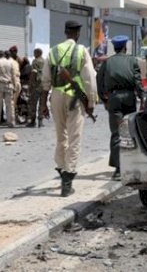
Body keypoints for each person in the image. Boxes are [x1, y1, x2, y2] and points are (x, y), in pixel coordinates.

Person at [42, 21, 98, 197]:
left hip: (56, 95)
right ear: (77, 34)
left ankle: (61, 167)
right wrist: (91, 102)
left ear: (65, 32)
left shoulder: (52, 51)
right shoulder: (82, 51)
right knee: (75, 137)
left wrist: (43, 104)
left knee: (61, 135)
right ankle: (67, 179)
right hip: (74, 97)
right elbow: (89, 79)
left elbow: (45, 79)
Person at [97, 35, 144, 181]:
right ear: (125, 47)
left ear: (115, 48)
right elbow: (137, 81)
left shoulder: (107, 62)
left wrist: (103, 99)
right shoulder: (132, 60)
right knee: (130, 132)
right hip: (129, 98)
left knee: (116, 133)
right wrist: (142, 98)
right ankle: (131, 165)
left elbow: (99, 80)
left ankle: (118, 170)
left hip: (114, 98)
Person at [0, 50, 19, 128]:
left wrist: (1, 79)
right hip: (9, 85)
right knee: (10, 105)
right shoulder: (10, 63)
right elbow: (13, 76)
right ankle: (11, 122)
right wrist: (14, 86)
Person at [27, 48, 48, 128]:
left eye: (34, 52)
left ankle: (33, 121)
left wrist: (30, 84)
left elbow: (33, 73)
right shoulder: (46, 61)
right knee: (42, 103)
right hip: (44, 84)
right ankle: (40, 121)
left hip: (36, 85)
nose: (33, 54)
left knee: (33, 103)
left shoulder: (35, 61)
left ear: (37, 53)